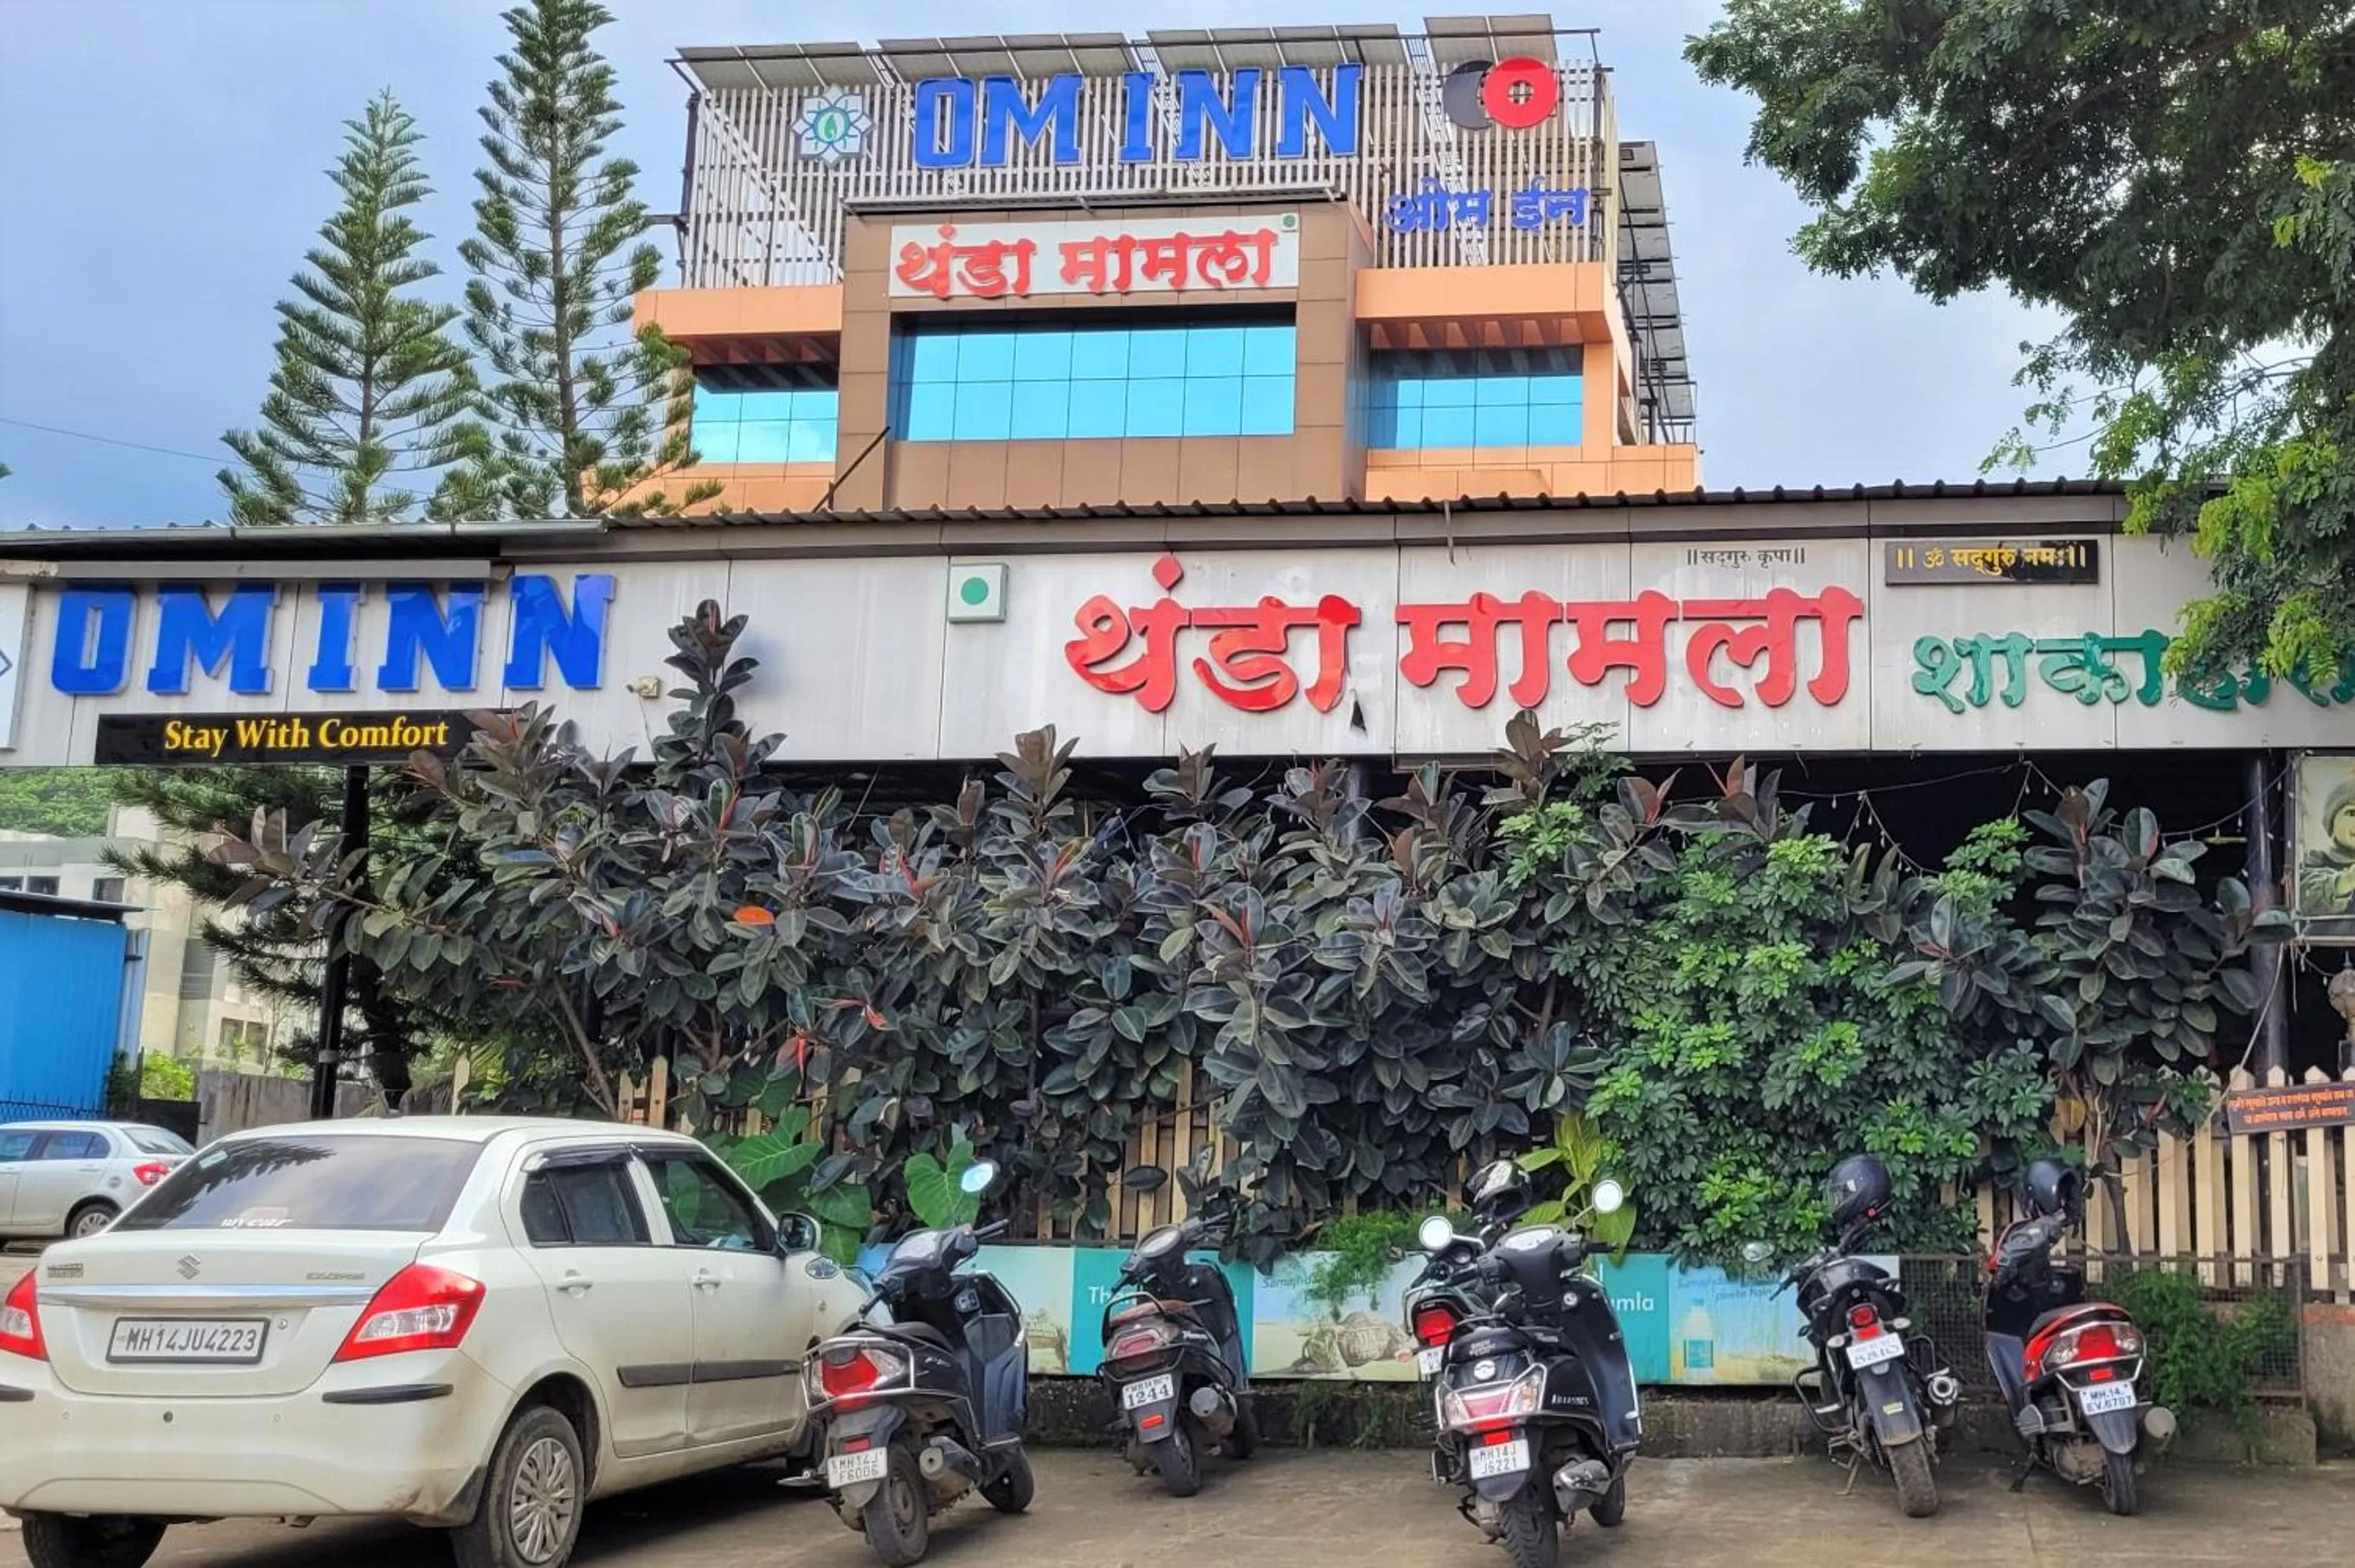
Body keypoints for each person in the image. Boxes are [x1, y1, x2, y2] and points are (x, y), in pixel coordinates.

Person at [2299, 774, 2355, 918]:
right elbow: (2304, 896)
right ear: (2332, 824)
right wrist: (2346, 881)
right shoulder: (2315, 861)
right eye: (2351, 813)